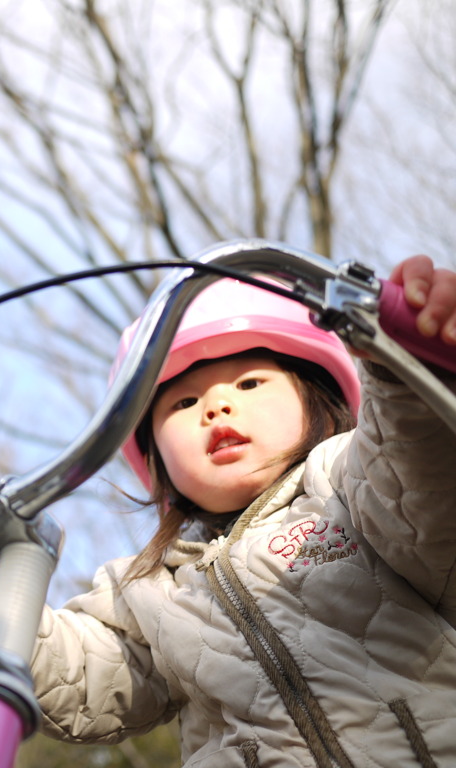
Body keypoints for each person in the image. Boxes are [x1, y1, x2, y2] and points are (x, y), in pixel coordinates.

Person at [29, 255, 456, 767]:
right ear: (156, 458)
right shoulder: (152, 588)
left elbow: (416, 477)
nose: (215, 407)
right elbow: (84, 673)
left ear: (315, 398)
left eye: (249, 383)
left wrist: (405, 370)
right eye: (183, 405)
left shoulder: (349, 482)